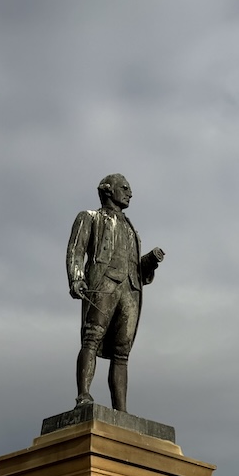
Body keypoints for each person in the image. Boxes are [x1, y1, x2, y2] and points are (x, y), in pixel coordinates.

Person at [66, 173, 164, 411]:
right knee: (91, 338)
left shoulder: (132, 228)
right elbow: (76, 250)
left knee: (122, 352)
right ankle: (84, 396)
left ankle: (121, 410)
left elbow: (136, 268)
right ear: (108, 190)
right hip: (103, 284)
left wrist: (150, 262)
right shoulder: (89, 217)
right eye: (125, 187)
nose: (130, 193)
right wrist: (77, 277)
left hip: (130, 290)